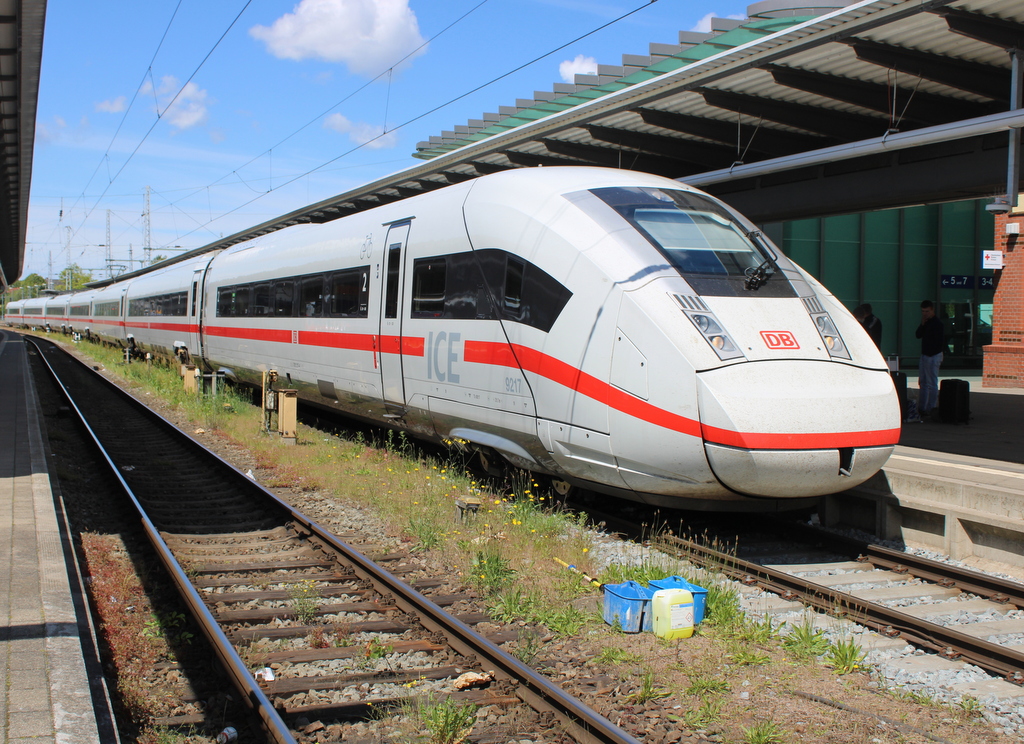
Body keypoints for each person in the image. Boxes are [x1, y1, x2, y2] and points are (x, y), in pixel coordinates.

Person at [915, 300, 945, 416]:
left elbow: (938, 342)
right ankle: (922, 407)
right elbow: (918, 335)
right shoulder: (925, 322)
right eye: (923, 311)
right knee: (923, 382)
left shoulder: (937, 323)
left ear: (932, 310)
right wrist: (922, 324)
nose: (925, 313)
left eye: (927, 311)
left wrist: (931, 354)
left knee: (931, 382)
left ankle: (930, 407)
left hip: (933, 355)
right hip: (925, 355)